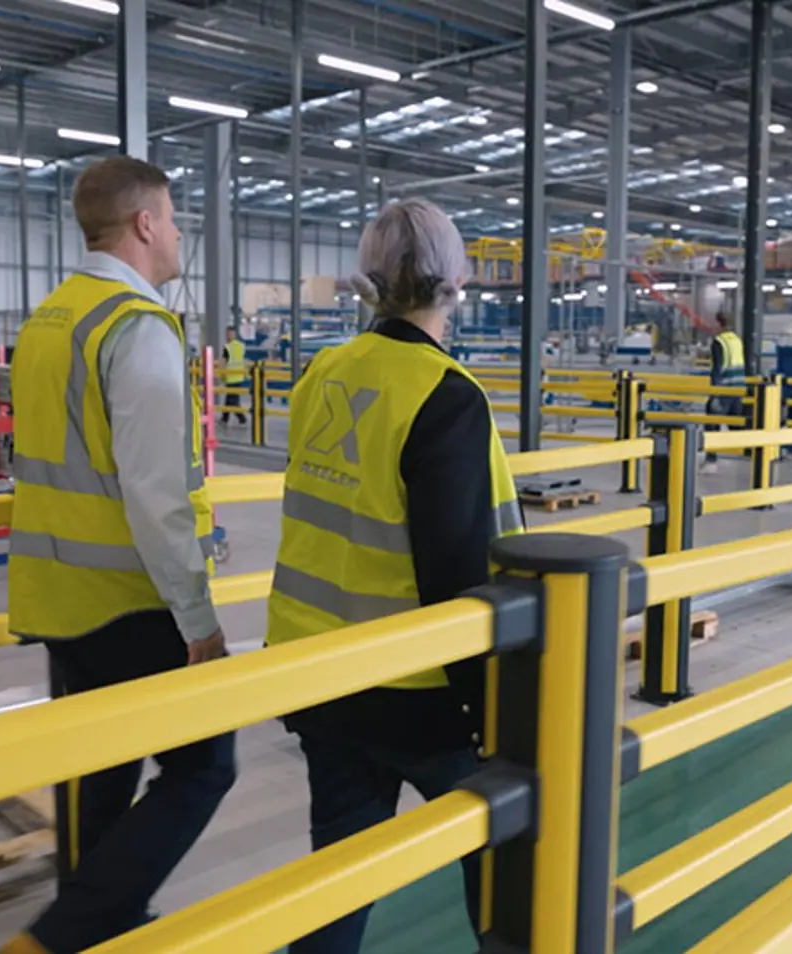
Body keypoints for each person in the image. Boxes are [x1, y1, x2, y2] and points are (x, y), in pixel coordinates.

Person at [266, 198, 522, 954]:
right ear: (458, 281)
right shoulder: (446, 397)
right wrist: (492, 711)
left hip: (318, 672)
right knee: (504, 860)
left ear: (366, 281)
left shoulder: (323, 372)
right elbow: (455, 575)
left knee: (339, 877)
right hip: (420, 697)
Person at [1, 156, 236, 954]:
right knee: (204, 767)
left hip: (56, 593)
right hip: (129, 599)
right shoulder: (134, 325)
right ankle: (62, 935)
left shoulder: (50, 319)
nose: (176, 235)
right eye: (172, 220)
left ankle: (98, 926)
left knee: (100, 773)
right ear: (143, 224)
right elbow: (155, 493)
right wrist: (198, 619)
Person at [704, 312, 746, 468]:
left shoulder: (719, 342)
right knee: (735, 423)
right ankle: (756, 450)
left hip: (724, 389)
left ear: (718, 324)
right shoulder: (736, 339)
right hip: (738, 387)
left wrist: (714, 392)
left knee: (711, 422)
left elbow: (717, 368)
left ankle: (711, 460)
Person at [220, 326, 248, 426]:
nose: (228, 335)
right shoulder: (241, 346)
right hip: (239, 376)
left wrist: (222, 375)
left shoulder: (227, 347)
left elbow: (223, 362)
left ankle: (242, 418)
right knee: (230, 398)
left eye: (229, 333)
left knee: (233, 400)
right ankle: (224, 418)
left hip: (231, 377)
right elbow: (243, 360)